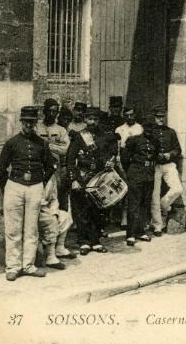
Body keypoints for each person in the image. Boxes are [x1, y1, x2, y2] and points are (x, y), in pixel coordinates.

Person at [0, 106, 55, 281]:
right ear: (21, 122)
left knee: (31, 229)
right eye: (26, 121)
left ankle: (28, 265)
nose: (29, 125)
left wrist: (40, 182)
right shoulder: (12, 143)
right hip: (14, 187)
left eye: (32, 122)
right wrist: (8, 187)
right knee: (13, 229)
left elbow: (50, 167)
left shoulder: (42, 144)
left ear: (36, 123)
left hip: (35, 188)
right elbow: (0, 170)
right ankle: (12, 267)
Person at [67, 107, 118, 255]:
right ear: (85, 120)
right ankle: (84, 242)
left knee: (98, 210)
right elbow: (70, 160)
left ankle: (95, 241)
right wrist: (74, 180)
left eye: (95, 119)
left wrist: (111, 161)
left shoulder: (104, 136)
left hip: (99, 176)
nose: (92, 122)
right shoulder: (79, 137)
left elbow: (111, 153)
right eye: (90, 119)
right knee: (82, 210)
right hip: (83, 176)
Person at [150, 106, 182, 237]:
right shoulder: (150, 132)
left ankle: (164, 205)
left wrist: (170, 154)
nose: (161, 119)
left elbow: (178, 149)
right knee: (154, 195)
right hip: (155, 166)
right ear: (154, 118)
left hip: (169, 165)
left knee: (178, 189)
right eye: (158, 117)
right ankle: (157, 225)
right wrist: (156, 155)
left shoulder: (171, 132)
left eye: (162, 116)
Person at [120, 126, 156, 246]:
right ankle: (130, 234)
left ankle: (140, 231)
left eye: (152, 128)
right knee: (134, 204)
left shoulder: (155, 141)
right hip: (136, 174)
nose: (150, 130)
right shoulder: (134, 140)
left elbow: (154, 156)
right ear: (143, 128)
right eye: (148, 127)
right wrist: (131, 172)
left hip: (149, 175)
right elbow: (124, 158)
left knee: (145, 204)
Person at [36, 98, 71, 212]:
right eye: (49, 111)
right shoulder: (36, 127)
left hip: (56, 168)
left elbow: (65, 149)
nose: (52, 114)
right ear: (44, 111)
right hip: (39, 166)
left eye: (55, 111)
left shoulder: (61, 130)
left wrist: (48, 147)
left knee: (56, 193)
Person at [37, 171, 74, 269]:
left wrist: (54, 212)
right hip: (35, 211)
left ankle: (59, 248)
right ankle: (50, 256)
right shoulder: (34, 173)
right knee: (50, 221)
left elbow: (54, 198)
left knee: (65, 217)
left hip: (47, 209)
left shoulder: (51, 177)